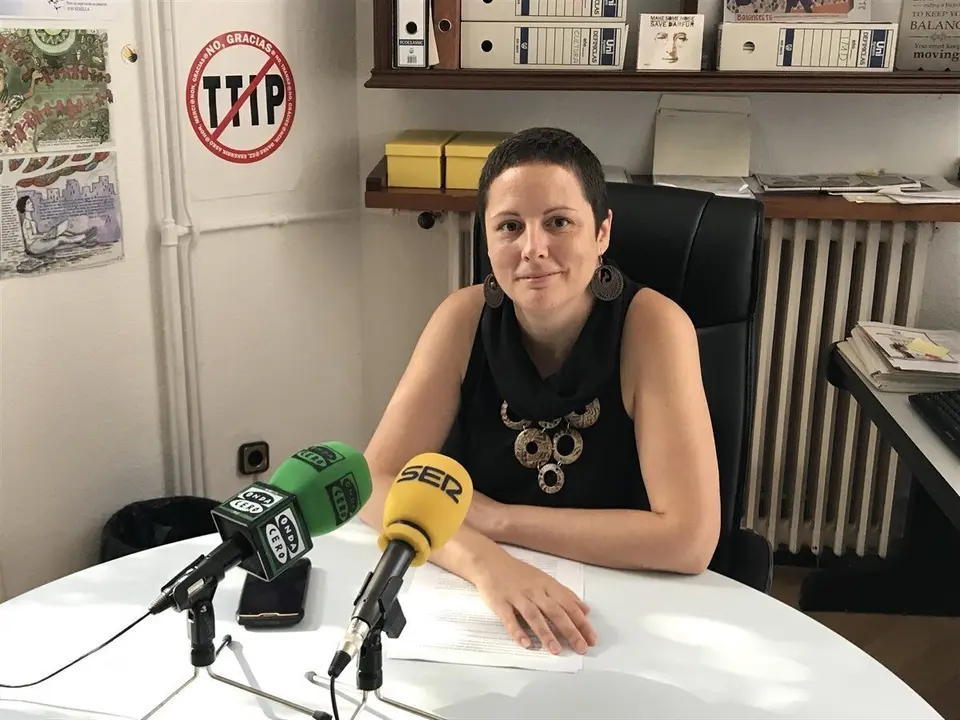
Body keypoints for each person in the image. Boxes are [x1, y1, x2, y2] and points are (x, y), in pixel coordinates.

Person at [359, 127, 720, 658]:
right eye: (510, 226)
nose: (533, 248)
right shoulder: (461, 319)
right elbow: (374, 482)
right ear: (487, 240)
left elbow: (689, 540)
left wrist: (499, 520)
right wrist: (485, 561)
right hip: (479, 598)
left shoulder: (654, 327)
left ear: (601, 232)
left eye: (558, 222)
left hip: (621, 603)